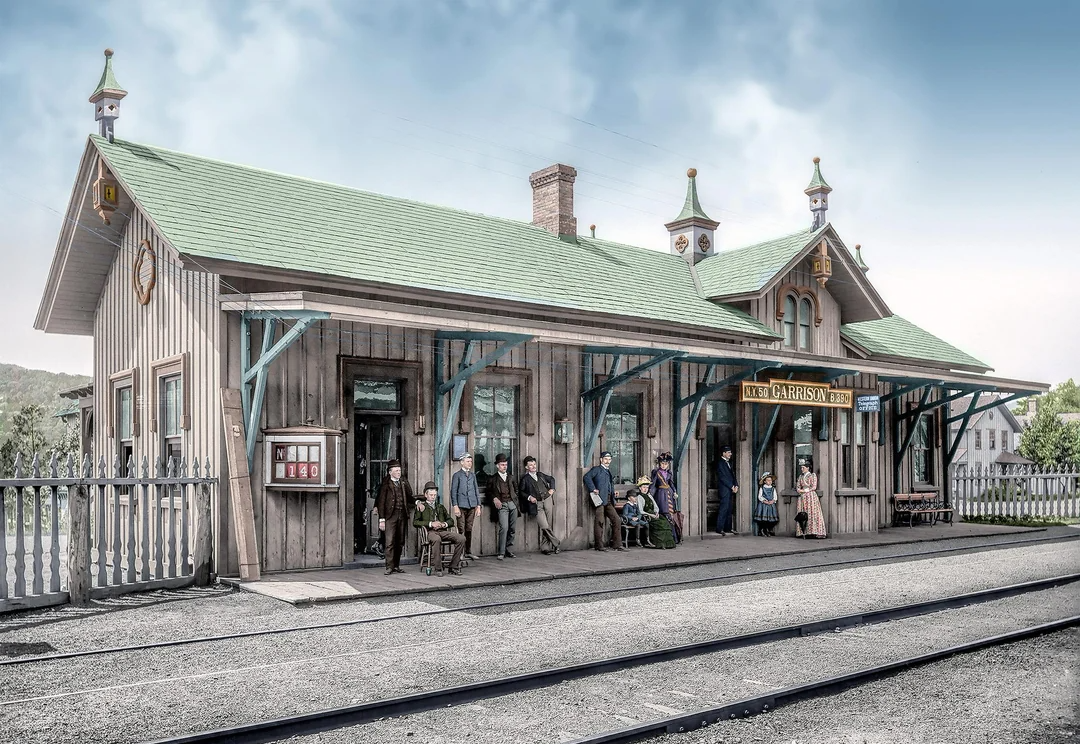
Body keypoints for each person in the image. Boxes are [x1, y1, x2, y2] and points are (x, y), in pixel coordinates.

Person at [413, 481, 465, 575]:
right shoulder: (422, 507)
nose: (433, 497)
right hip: (430, 532)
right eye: (431, 495)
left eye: (434, 495)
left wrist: (444, 524)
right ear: (426, 495)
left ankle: (453, 567)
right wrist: (430, 524)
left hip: (442, 531)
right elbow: (415, 522)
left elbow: (451, 520)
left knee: (461, 538)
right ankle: (438, 569)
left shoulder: (440, 507)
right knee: (436, 539)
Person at [374, 459, 413, 575]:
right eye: (396, 471)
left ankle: (396, 566)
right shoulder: (386, 484)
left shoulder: (403, 482)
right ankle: (389, 567)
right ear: (390, 472)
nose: (399, 472)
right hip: (390, 516)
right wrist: (382, 520)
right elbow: (381, 502)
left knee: (400, 542)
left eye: (399, 470)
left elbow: (409, 496)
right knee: (389, 542)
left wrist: (417, 502)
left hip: (402, 515)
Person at [583, 451, 626, 552]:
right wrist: (593, 488)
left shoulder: (608, 471)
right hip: (599, 500)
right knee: (600, 522)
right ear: (601, 459)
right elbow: (586, 477)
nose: (607, 461)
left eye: (609, 459)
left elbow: (609, 485)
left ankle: (617, 545)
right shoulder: (597, 469)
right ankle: (599, 545)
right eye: (606, 459)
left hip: (609, 500)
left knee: (617, 520)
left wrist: (613, 492)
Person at [518, 456, 561, 555]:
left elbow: (552, 479)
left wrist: (552, 489)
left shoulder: (540, 475)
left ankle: (545, 548)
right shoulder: (525, 479)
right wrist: (529, 497)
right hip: (537, 504)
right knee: (544, 526)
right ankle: (556, 544)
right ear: (526, 467)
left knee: (548, 525)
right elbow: (521, 492)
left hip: (547, 500)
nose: (533, 466)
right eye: (530, 465)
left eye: (534, 464)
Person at [450, 453, 482, 560]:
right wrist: (455, 505)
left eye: (471, 461)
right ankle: (460, 553)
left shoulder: (473, 475)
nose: (470, 463)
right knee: (461, 529)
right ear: (462, 462)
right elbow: (453, 492)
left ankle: (468, 551)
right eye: (468, 461)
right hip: (461, 506)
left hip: (472, 505)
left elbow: (476, 490)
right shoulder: (457, 475)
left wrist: (478, 505)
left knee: (469, 528)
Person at [487, 453, 518, 559]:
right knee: (504, 527)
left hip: (512, 504)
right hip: (502, 505)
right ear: (497, 466)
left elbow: (516, 490)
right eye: (502, 465)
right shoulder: (493, 479)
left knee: (512, 528)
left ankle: (509, 550)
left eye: (505, 464)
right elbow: (488, 492)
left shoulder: (511, 477)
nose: (504, 467)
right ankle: (501, 552)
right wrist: (494, 498)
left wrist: (515, 502)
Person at [649, 453, 681, 544]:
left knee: (671, 514)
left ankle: (674, 538)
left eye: (666, 464)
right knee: (664, 513)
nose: (664, 465)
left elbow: (671, 483)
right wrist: (650, 494)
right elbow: (653, 484)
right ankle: (667, 537)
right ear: (659, 463)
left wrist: (674, 492)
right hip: (660, 494)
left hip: (669, 494)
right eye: (662, 463)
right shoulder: (656, 472)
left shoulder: (669, 473)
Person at [636, 475, 672, 549]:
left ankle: (667, 544)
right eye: (643, 487)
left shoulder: (649, 496)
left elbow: (656, 507)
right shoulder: (639, 497)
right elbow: (641, 510)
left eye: (647, 487)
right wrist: (650, 515)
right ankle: (658, 543)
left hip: (654, 514)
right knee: (659, 524)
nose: (645, 489)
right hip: (647, 516)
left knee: (665, 522)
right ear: (640, 488)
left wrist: (656, 512)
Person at [795, 462, 827, 539]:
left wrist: (805, 490)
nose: (802, 469)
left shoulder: (812, 475)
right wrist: (799, 490)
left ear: (808, 468)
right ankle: (804, 532)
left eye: (803, 467)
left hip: (811, 496)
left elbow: (814, 487)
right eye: (801, 468)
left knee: (812, 512)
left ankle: (814, 531)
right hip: (802, 497)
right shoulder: (800, 476)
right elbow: (798, 486)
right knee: (803, 513)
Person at [716, 444, 739, 535]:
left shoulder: (729, 463)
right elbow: (722, 477)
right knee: (724, 509)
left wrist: (736, 485)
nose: (730, 454)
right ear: (723, 453)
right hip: (724, 490)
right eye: (729, 452)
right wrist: (731, 486)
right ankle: (719, 529)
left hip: (730, 489)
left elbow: (733, 476)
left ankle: (728, 528)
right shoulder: (720, 463)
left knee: (729, 509)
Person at [754, 472, 780, 537]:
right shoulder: (762, 488)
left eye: (770, 480)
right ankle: (762, 530)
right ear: (765, 481)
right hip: (764, 505)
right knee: (764, 518)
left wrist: (773, 501)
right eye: (768, 480)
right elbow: (760, 496)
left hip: (771, 504)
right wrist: (764, 501)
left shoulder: (773, 488)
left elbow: (775, 496)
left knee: (771, 519)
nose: (770, 481)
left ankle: (768, 530)